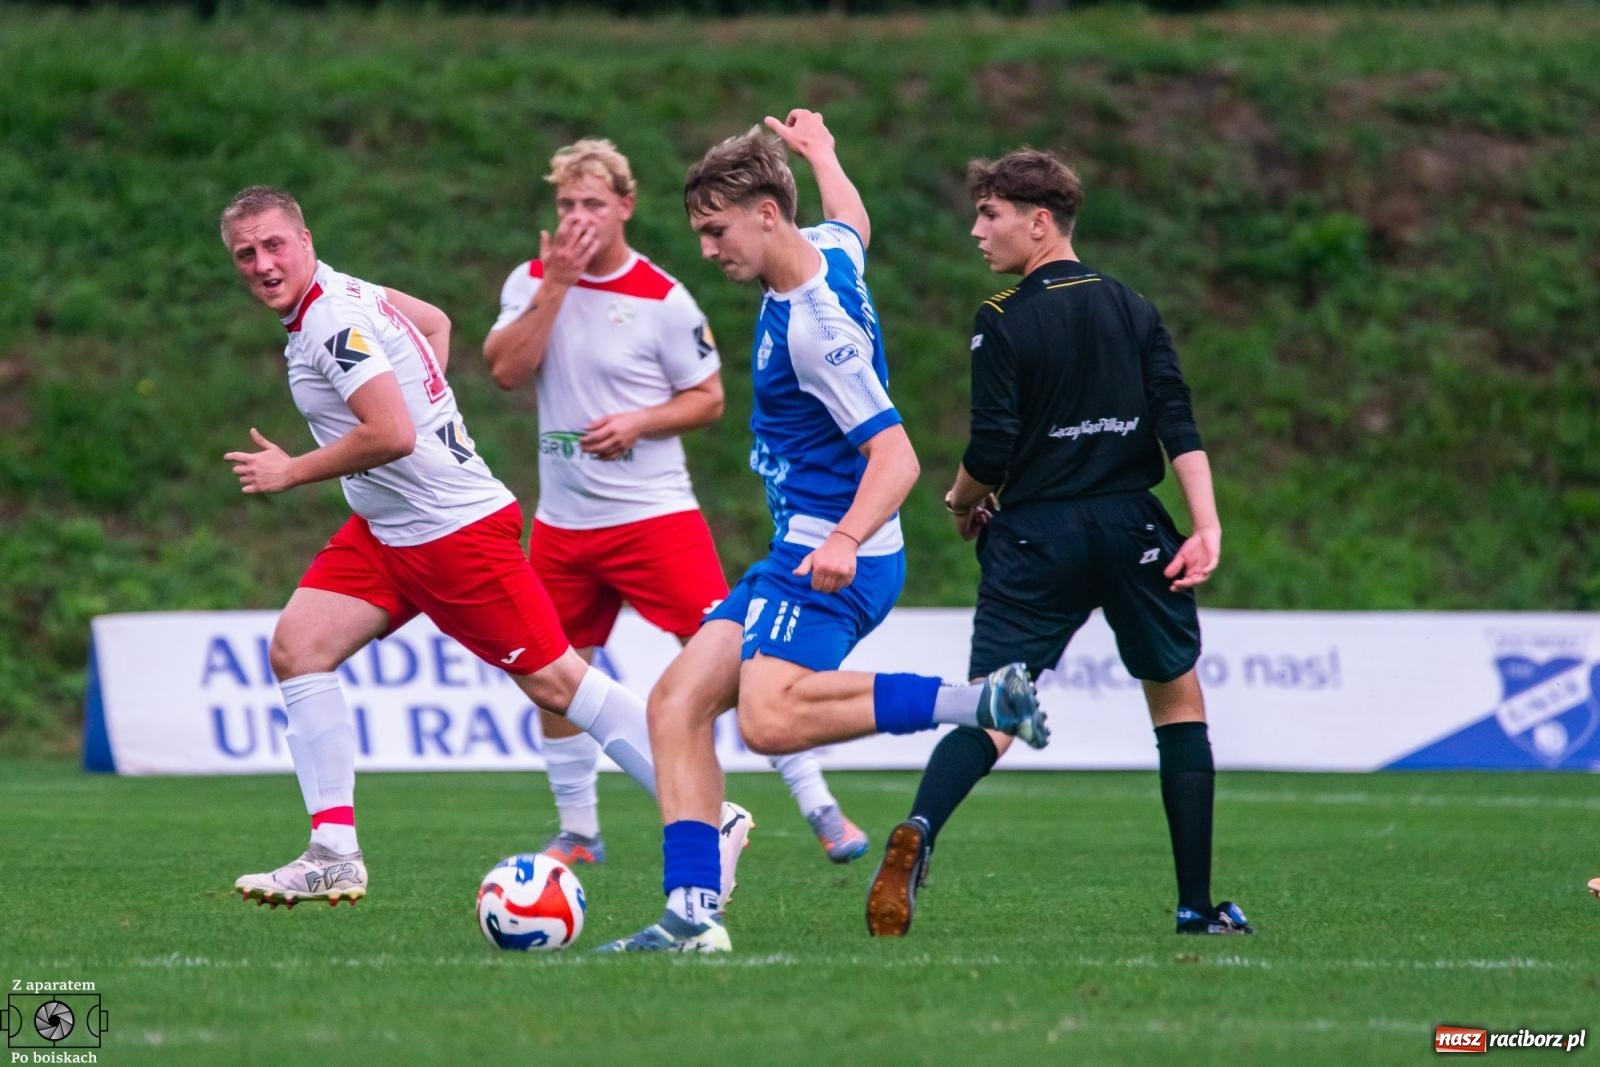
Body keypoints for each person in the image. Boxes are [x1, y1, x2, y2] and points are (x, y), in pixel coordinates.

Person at [596, 110, 1050, 955]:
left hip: (831, 550)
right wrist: (825, 152)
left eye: (715, 229)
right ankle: (693, 913)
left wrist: (841, 538)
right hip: (798, 547)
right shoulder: (827, 253)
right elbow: (854, 223)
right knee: (677, 701)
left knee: (767, 722)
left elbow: (898, 458)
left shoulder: (816, 329)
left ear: (768, 213)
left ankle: (978, 701)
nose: (707, 249)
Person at [218, 186, 724, 907]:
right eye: (247, 254)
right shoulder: (341, 290)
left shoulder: (331, 320)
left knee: (558, 685)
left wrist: (291, 469)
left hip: (450, 532)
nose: (264, 263)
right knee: (299, 648)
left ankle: (714, 812)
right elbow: (435, 322)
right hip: (387, 528)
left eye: (274, 245)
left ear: (304, 239)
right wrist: (427, 399)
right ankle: (333, 850)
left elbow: (391, 433)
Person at [864, 148, 1253, 939]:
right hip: (1129, 524)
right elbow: (1177, 421)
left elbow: (993, 450)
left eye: (990, 214)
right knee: (1177, 703)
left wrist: (958, 501)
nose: (977, 230)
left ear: (1039, 222)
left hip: (1036, 533)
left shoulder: (1002, 318)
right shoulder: (1134, 307)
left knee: (992, 706)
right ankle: (1194, 906)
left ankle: (921, 828)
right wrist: (1206, 524)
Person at [482, 137, 871, 870]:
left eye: (592, 202)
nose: (577, 216)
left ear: (625, 206)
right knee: (551, 669)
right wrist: (555, 286)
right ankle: (579, 830)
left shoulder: (663, 298)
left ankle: (820, 805)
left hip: (655, 519)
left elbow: (710, 397)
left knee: (740, 655)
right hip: (564, 525)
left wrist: (638, 420)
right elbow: (505, 369)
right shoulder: (532, 280)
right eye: (566, 203)